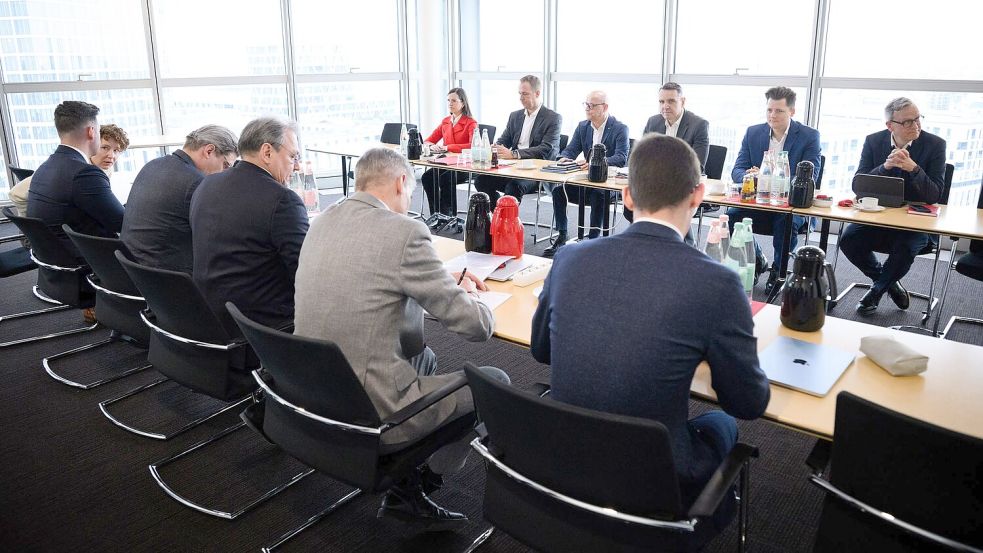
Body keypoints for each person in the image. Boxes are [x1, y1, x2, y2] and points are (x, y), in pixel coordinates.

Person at [531, 134, 770, 548]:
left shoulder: (569, 258)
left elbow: (541, 351)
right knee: (722, 422)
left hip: (563, 460)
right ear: (698, 195)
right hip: (657, 490)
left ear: (625, 196)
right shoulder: (717, 283)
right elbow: (748, 403)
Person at [294, 147, 510, 529]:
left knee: (423, 357)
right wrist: (480, 302)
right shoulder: (405, 230)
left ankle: (410, 478)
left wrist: (440, 282)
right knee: (496, 383)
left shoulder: (322, 221)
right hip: (370, 411)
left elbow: (372, 279)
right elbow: (475, 328)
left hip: (311, 395)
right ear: (400, 183)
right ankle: (416, 486)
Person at [190, 117, 308, 334]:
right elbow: (306, 273)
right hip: (263, 328)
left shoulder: (207, 184)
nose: (297, 166)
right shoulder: (282, 200)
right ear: (267, 152)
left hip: (211, 318)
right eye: (293, 156)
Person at [840, 97, 947, 315]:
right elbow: (858, 185)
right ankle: (889, 282)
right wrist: (885, 166)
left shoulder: (935, 145)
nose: (916, 125)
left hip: (916, 223)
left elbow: (934, 194)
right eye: (908, 122)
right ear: (890, 125)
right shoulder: (873, 141)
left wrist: (914, 169)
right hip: (880, 217)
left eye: (918, 119)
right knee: (849, 239)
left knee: (905, 247)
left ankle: (876, 291)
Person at [728, 86, 821, 289]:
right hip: (758, 202)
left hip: (789, 206)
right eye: (769, 110)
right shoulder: (753, 133)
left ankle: (778, 271)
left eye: (779, 111)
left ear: (792, 112)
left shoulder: (809, 136)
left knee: (785, 221)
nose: (772, 115)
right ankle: (757, 259)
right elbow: (737, 169)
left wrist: (767, 179)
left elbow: (810, 176)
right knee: (732, 215)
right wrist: (749, 176)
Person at [121, 125, 239, 274]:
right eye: (225, 165)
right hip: (166, 280)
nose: (225, 173)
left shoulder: (153, 165)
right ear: (209, 151)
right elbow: (220, 239)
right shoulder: (197, 183)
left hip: (133, 271)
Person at [26, 101, 125, 257]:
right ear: (91, 132)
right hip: (91, 262)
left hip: (54, 259)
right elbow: (121, 223)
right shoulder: (84, 173)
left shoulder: (46, 166)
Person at [543, 90, 628, 257]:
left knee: (598, 194)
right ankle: (562, 234)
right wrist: (564, 159)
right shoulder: (583, 126)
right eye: (586, 104)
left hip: (606, 185)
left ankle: (593, 240)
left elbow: (621, 158)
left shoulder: (620, 128)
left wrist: (595, 164)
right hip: (585, 181)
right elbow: (570, 150)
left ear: (605, 107)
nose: (587, 108)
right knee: (559, 190)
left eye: (592, 105)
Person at [474, 74, 561, 210]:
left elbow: (546, 149)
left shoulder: (553, 118)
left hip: (536, 171)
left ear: (537, 93)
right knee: (481, 179)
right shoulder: (515, 116)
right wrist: (495, 147)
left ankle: (506, 224)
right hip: (513, 167)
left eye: (525, 94)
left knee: (514, 186)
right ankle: (496, 214)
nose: (521, 98)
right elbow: (505, 139)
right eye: (520, 93)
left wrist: (514, 154)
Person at [11, 123, 130, 216]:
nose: (111, 155)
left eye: (116, 150)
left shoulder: (105, 168)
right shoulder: (69, 169)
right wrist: (33, 230)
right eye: (104, 147)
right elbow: (16, 193)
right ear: (93, 144)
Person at [421, 87, 478, 222]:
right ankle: (436, 214)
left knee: (446, 178)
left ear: (463, 103)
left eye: (453, 101)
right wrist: (431, 145)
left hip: (464, 164)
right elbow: (429, 140)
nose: (450, 104)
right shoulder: (446, 121)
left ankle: (448, 215)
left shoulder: (471, 123)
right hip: (446, 162)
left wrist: (447, 147)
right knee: (427, 177)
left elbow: (473, 146)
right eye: (448, 100)